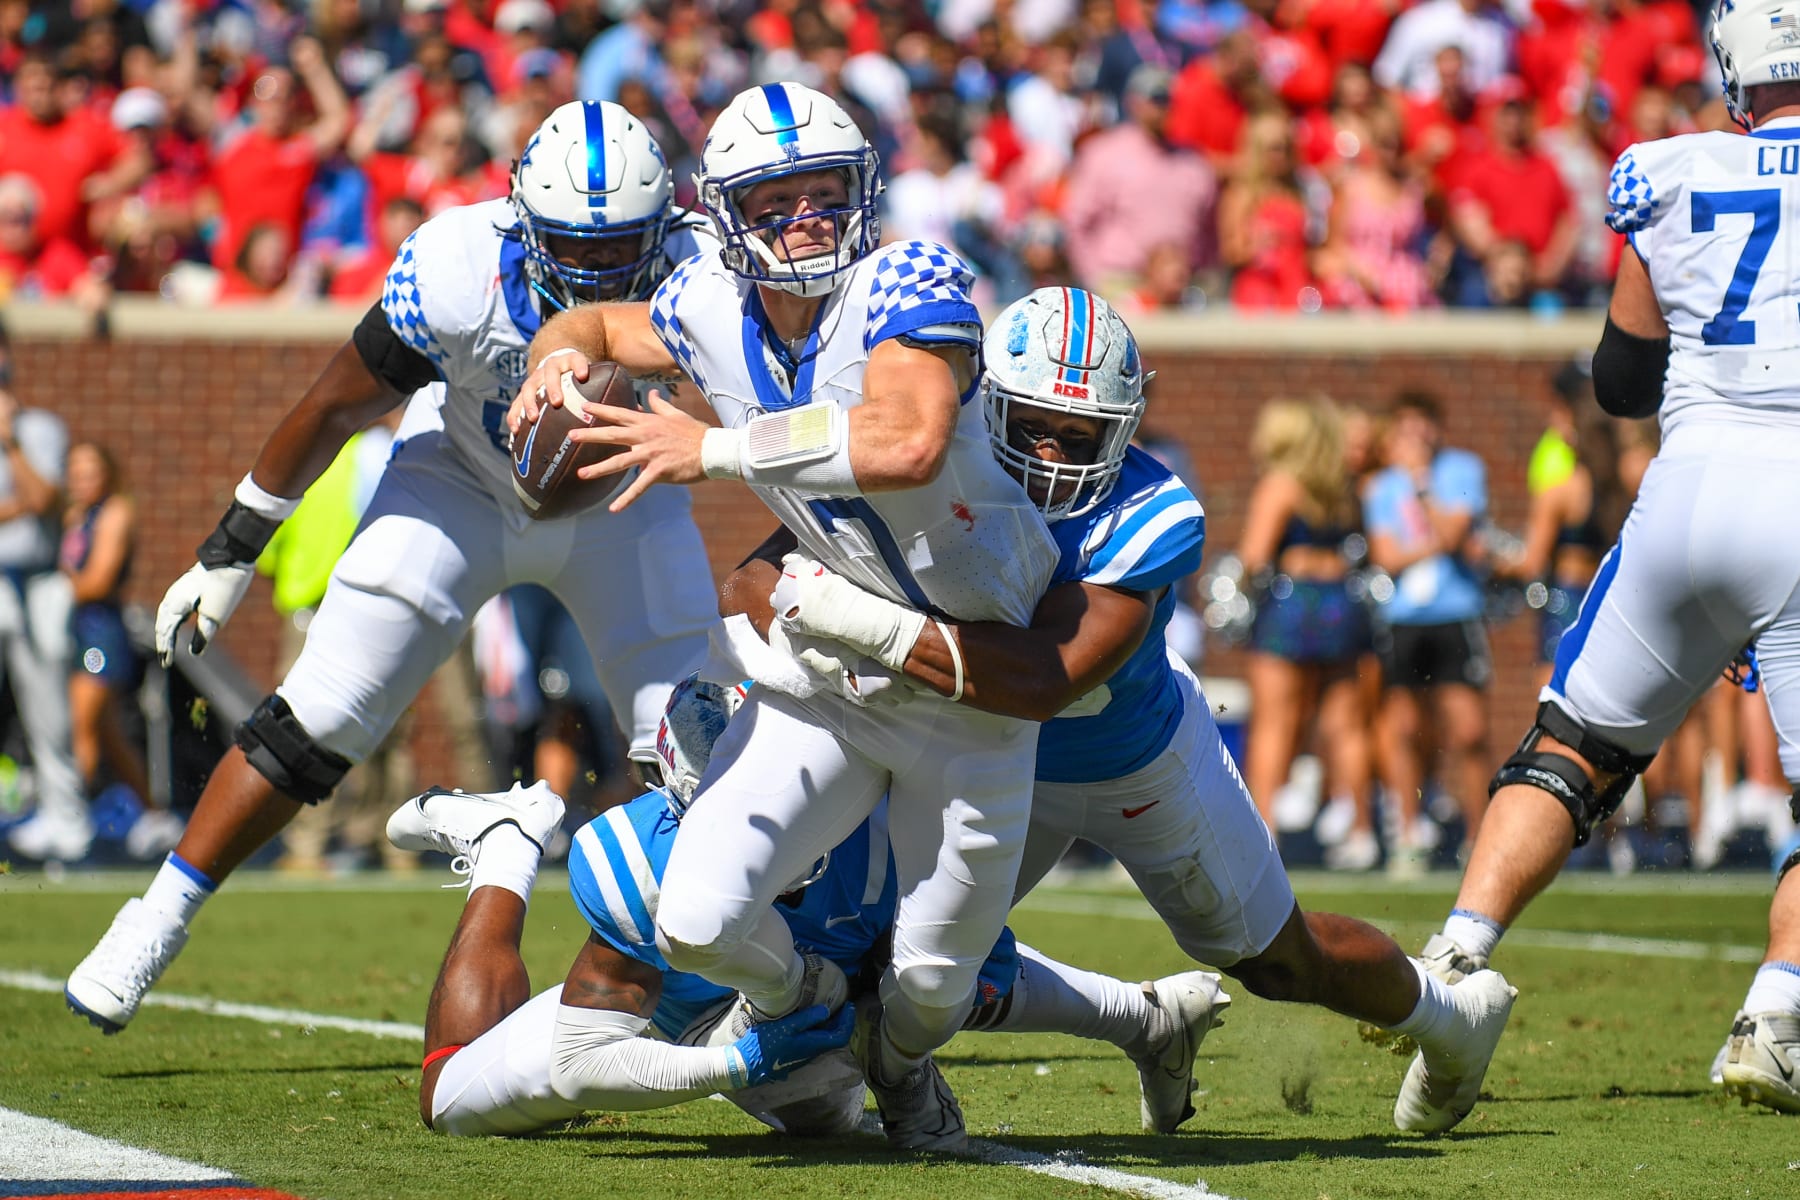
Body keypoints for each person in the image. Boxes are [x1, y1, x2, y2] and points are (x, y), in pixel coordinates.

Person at [758, 286, 1517, 1136]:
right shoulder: (928, 454)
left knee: (1276, 961)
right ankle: (1114, 1030)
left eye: (1078, 436)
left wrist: (849, 617)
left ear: (1122, 430)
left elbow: (1040, 677)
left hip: (1139, 766)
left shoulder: (1151, 515)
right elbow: (761, 571)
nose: (1050, 455)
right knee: (886, 945)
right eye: (1032, 425)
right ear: (987, 405)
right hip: (994, 758)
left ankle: (1451, 1019)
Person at [64, 101, 718, 1035]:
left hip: (624, 498)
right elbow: (336, 405)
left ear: (665, 230)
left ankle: (680, 974)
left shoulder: (703, 270)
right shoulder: (457, 268)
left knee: (704, 746)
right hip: (459, 481)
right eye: (575, 243)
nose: (596, 269)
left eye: (621, 248)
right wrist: (231, 549)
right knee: (315, 719)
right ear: (521, 220)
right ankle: (154, 918)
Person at [507, 82, 1064, 1152]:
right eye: (777, 198)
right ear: (724, 214)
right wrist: (557, 361)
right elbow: (593, 321)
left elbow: (904, 441)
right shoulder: (707, 302)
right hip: (831, 676)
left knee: (934, 990)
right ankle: (806, 1000)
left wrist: (711, 449)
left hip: (964, 677)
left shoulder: (910, 276)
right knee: (698, 919)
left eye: (826, 192)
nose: (808, 216)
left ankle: (900, 1066)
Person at [1413, 0, 1800, 1115]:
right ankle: (1775, 1011)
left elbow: (1624, 384)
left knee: (1573, 744)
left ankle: (1454, 962)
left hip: (1694, 487)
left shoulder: (1670, 170)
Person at [396, 679, 1230, 1138]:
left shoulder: (880, 827)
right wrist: (736, 1067)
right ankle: (508, 844)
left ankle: (1145, 1020)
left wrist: (1133, 1017)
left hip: (776, 1009)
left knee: (861, 1060)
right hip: (660, 1028)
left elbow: (972, 969)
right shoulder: (645, 863)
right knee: (451, 1104)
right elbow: (585, 1063)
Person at [1235, 397, 1377, 869]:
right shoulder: (1342, 487)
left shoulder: (1281, 485)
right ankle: (1361, 833)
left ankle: (1263, 832)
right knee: (1346, 723)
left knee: (1274, 722)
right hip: (1340, 601)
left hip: (1291, 603)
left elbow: (1254, 557)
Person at [1362, 389, 1492, 873]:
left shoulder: (1462, 470)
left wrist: (1420, 486)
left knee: (1469, 729)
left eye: (1423, 426)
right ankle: (1409, 834)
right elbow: (1387, 556)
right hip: (1404, 620)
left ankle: (1481, 835)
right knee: (1404, 728)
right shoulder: (1379, 487)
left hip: (1455, 613)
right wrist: (1436, 542)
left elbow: (1455, 533)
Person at [58, 441, 182, 860]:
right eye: (74, 470)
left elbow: (96, 581)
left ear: (107, 472)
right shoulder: (75, 515)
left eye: (89, 470)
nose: (81, 479)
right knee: (109, 732)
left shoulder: (114, 513)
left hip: (100, 635)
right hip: (77, 627)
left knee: (83, 725)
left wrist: (49, 585)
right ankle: (154, 814)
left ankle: (69, 817)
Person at [0, 360, 90, 863]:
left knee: (50, 710)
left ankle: (67, 822)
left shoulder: (40, 429)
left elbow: (43, 498)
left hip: (36, 581)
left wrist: (11, 441)